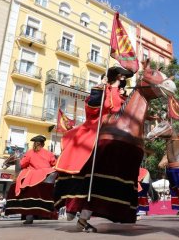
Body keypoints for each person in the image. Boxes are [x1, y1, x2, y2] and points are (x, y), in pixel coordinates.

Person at [55, 65, 134, 232]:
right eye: (122, 76)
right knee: (84, 157)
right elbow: (91, 109)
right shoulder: (101, 89)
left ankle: (85, 217)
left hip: (117, 128)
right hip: (97, 126)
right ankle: (70, 201)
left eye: (125, 78)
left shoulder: (123, 95)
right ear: (117, 76)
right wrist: (100, 90)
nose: (124, 80)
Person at [5, 135, 57, 224]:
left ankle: (29, 217)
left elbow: (21, 164)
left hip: (33, 176)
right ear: (43, 144)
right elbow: (54, 163)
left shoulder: (30, 152)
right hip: (47, 176)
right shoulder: (49, 153)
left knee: (20, 185)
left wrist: (17, 161)